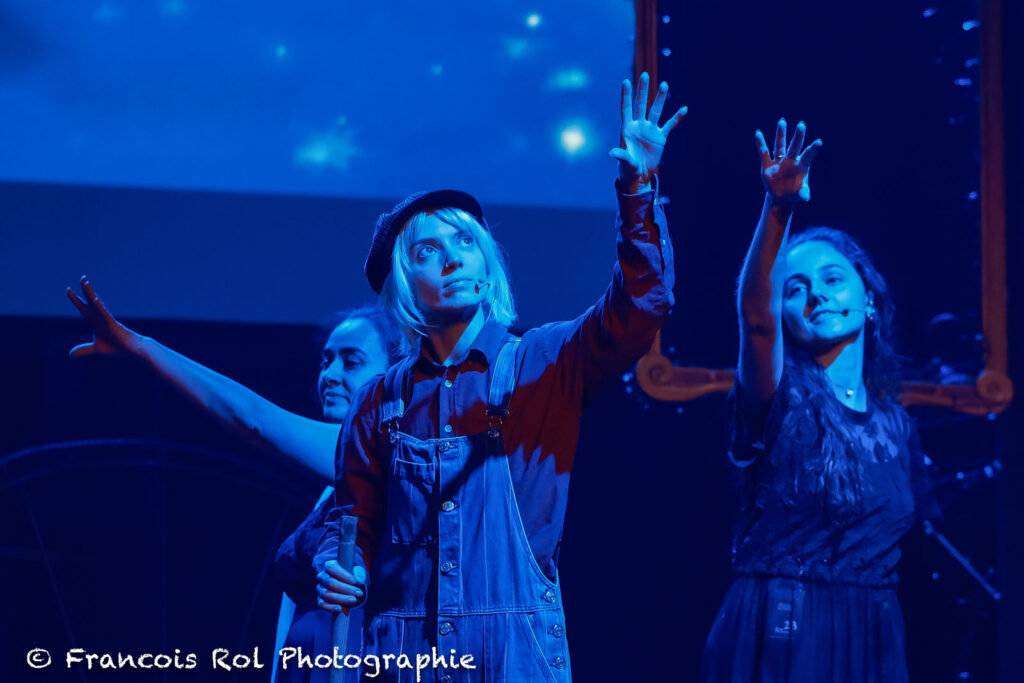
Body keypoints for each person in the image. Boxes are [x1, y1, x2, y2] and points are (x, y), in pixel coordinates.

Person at [313, 72, 684, 682]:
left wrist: (638, 189)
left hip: (512, 656)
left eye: (465, 240)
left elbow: (642, 305)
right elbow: (350, 520)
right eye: (427, 250)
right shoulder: (381, 402)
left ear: (487, 261)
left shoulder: (544, 361)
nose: (454, 256)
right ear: (405, 286)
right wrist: (338, 563)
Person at [699, 120, 939, 682]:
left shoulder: (896, 425)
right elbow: (754, 320)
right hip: (783, 628)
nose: (816, 296)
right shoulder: (777, 395)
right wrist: (778, 208)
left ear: (868, 299)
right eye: (796, 288)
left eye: (832, 279)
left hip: (875, 632)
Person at [66, 285, 405, 682]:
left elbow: (252, 420)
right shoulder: (336, 485)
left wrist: (144, 348)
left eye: (351, 362)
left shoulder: (374, 452)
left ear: (392, 379)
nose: (329, 375)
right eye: (326, 361)